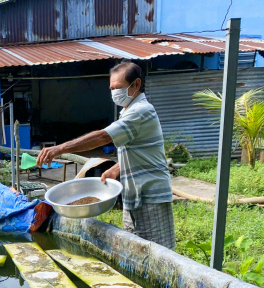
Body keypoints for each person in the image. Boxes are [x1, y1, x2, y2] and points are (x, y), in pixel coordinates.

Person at [37, 61, 175, 249]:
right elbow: (141, 150)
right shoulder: (128, 111)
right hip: (132, 194)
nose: (114, 93)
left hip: (150, 194)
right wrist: (116, 169)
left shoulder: (141, 111)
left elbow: (103, 137)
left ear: (136, 84)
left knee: (158, 252)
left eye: (118, 88)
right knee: (134, 249)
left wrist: (59, 149)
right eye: (111, 88)